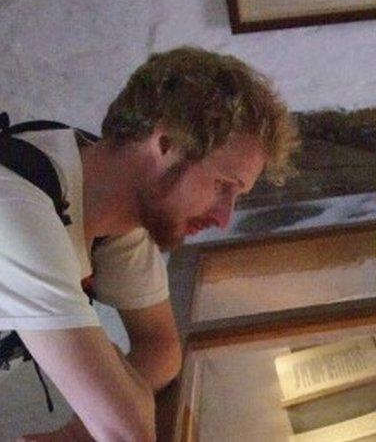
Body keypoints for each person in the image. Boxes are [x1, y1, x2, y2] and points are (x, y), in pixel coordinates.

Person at [0, 47, 298, 440]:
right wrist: (116, 405)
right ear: (165, 145)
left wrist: (80, 431)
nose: (224, 217)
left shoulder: (109, 210)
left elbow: (161, 349)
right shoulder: (19, 209)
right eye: (222, 187)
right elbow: (126, 430)